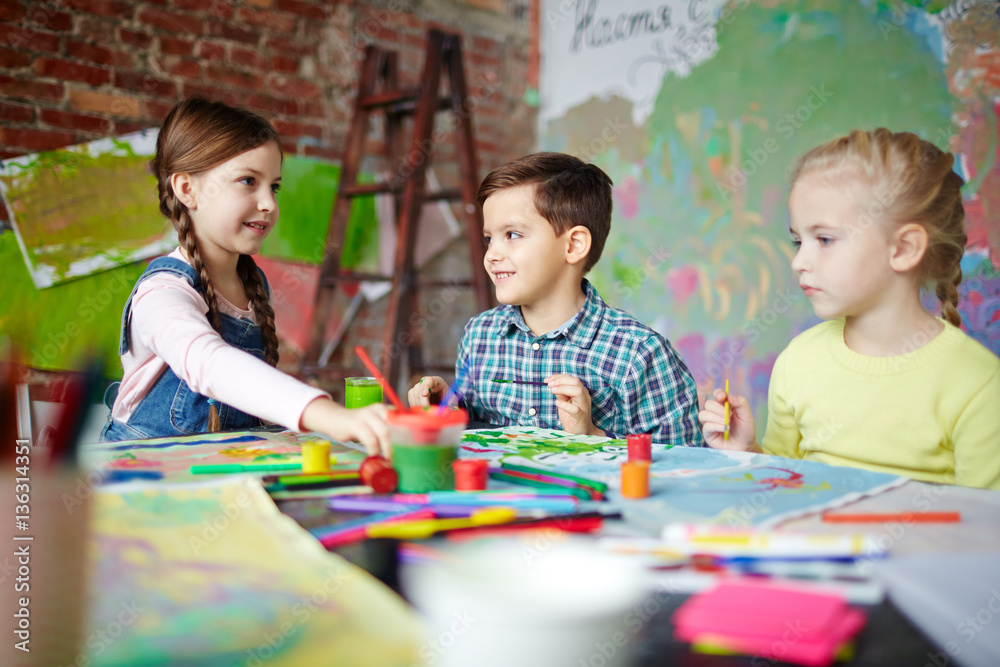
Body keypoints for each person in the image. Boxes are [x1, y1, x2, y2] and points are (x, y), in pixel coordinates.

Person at [700, 128, 1000, 490]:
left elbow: (985, 529)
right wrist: (747, 451)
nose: (799, 261)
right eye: (798, 240)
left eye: (824, 239)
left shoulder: (977, 384)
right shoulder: (798, 362)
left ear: (903, 248)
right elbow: (786, 484)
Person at [100, 98, 390, 456]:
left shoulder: (252, 284)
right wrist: (330, 416)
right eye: (248, 181)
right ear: (187, 190)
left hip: (221, 470)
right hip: (144, 480)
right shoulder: (162, 292)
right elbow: (209, 363)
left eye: (274, 186)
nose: (268, 203)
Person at [407, 152, 702, 445]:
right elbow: (474, 440)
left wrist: (593, 435)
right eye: (489, 238)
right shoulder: (478, 336)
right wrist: (448, 410)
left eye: (511, 234)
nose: (492, 255)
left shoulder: (640, 354)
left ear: (573, 245)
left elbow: (684, 467)